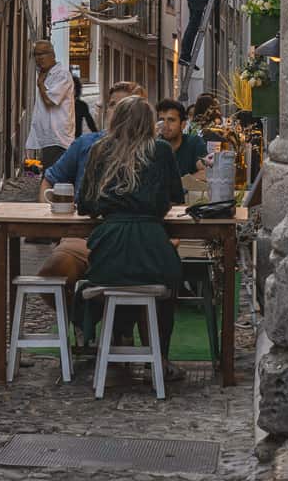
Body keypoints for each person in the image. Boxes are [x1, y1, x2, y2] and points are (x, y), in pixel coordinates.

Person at [76, 96, 184, 370]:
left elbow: (85, 203)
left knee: (116, 279)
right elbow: (176, 196)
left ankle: (116, 343)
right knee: (164, 283)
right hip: (151, 242)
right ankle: (159, 358)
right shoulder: (160, 150)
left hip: (109, 246)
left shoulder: (99, 149)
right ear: (150, 123)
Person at [37, 82, 144, 300]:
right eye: (113, 105)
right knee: (52, 273)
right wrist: (54, 223)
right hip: (83, 236)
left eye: (124, 105)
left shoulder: (152, 148)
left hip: (134, 240)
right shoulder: (87, 144)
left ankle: (122, 328)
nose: (116, 111)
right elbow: (49, 180)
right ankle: (78, 320)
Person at [25, 40, 75, 172]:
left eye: (43, 54)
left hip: (57, 136)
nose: (39, 58)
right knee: (48, 172)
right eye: (36, 54)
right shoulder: (44, 73)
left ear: (52, 54)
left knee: (53, 176)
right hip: (48, 135)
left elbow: (50, 101)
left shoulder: (62, 74)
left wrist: (40, 84)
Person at [156, 98, 208, 177]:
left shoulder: (194, 143)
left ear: (183, 125)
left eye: (171, 120)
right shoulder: (154, 146)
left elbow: (205, 172)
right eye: (162, 120)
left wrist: (178, 184)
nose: (165, 125)